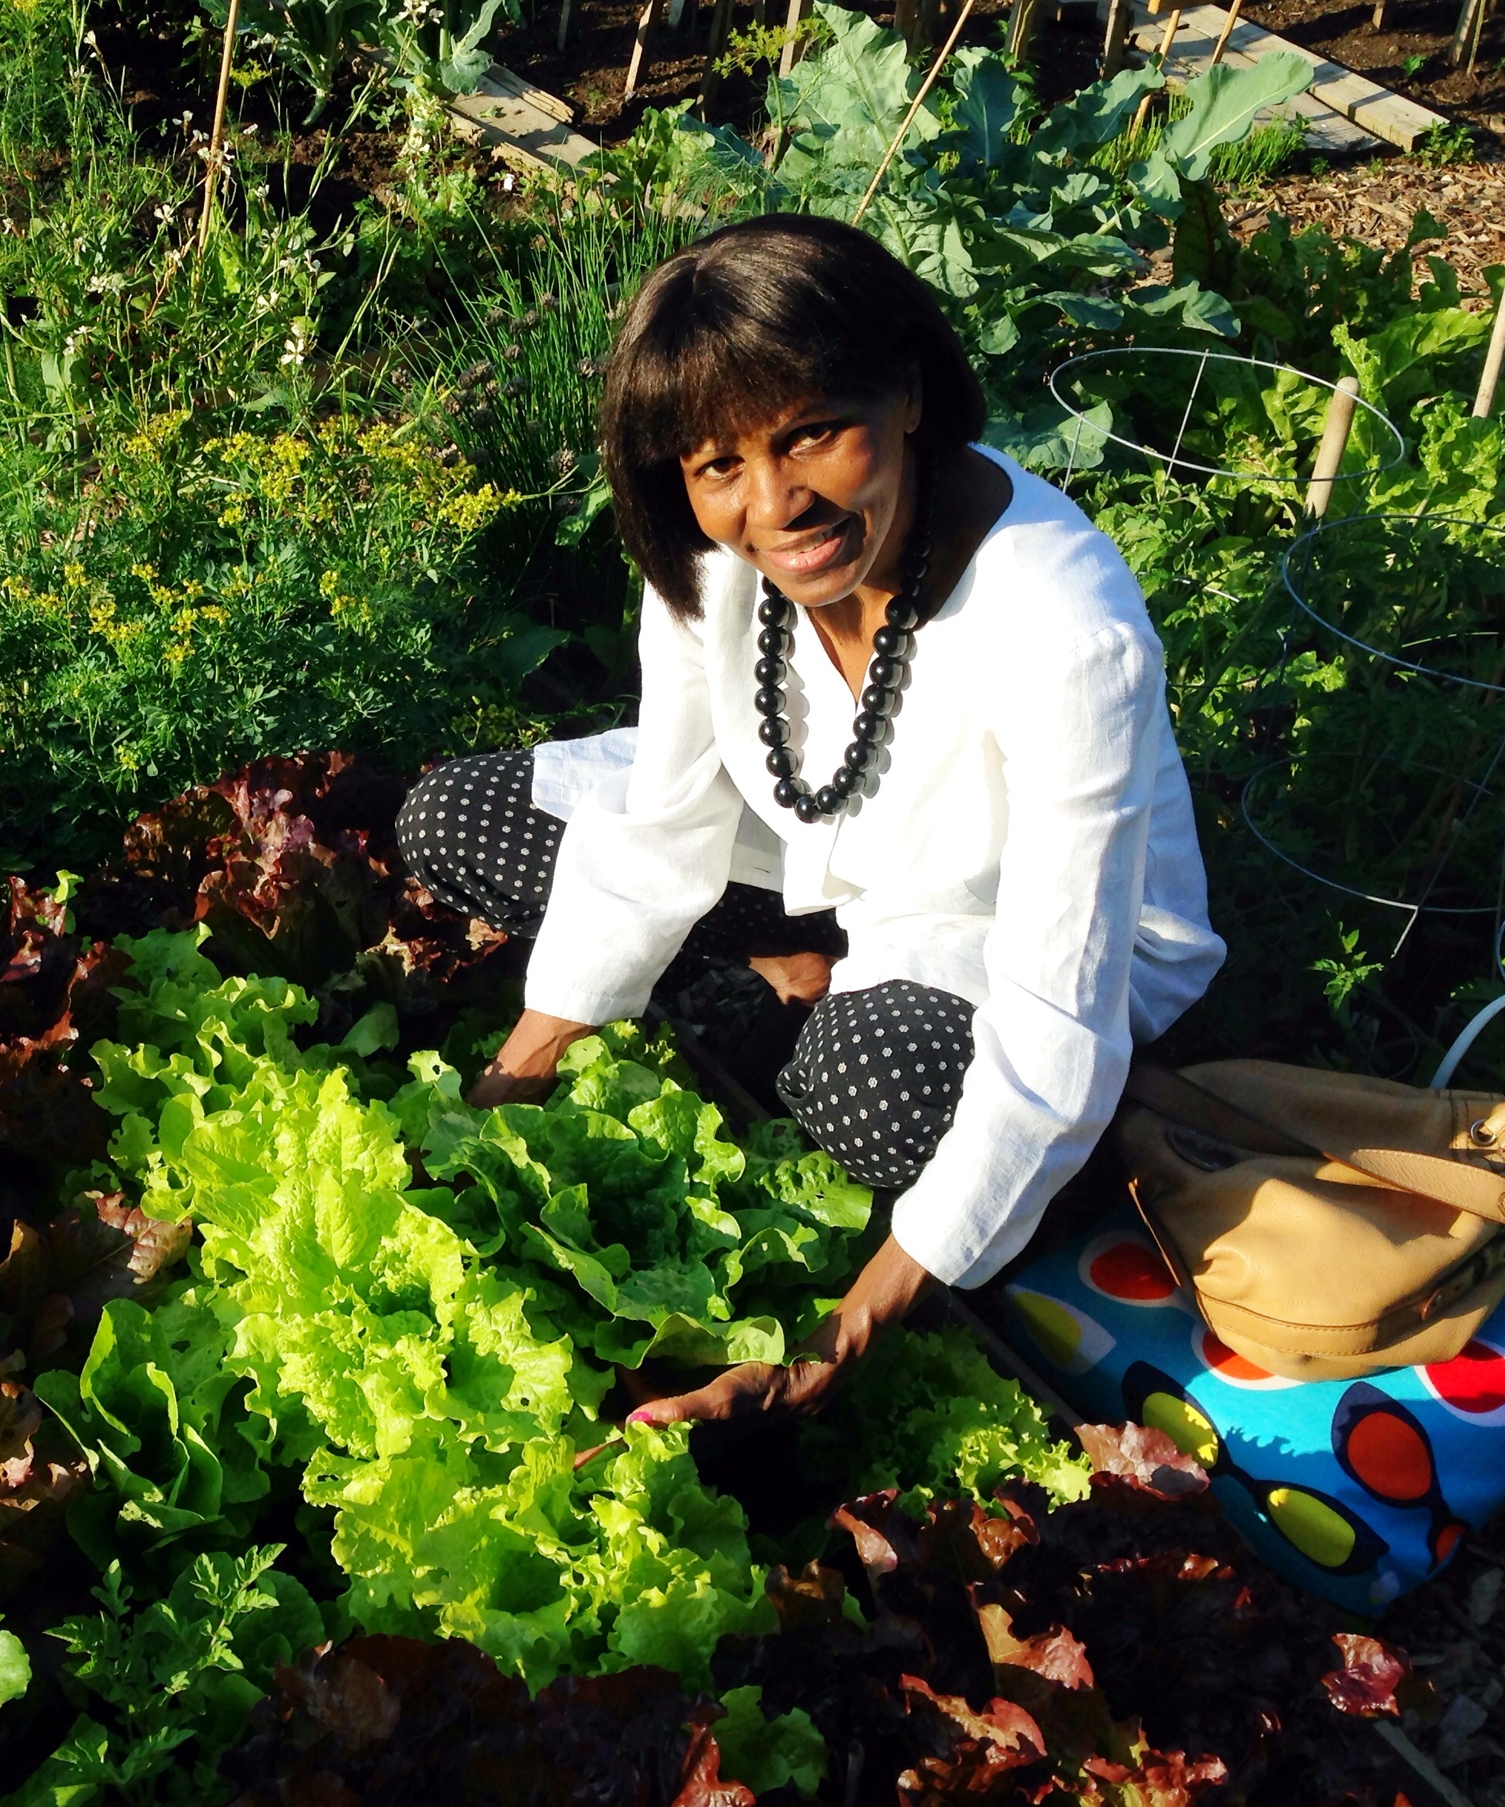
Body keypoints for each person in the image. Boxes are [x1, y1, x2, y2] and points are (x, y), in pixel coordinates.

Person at [394, 214, 1224, 1434]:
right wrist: (508, 1081)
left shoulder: (1061, 628)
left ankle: (849, 1023)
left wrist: (834, 1346)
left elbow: (1053, 1019)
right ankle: (799, 968)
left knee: (867, 1090)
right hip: (811, 852)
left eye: (813, 435)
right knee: (458, 818)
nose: (774, 503)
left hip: (1001, 928)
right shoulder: (715, 549)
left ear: (904, 393)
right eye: (717, 464)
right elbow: (669, 813)